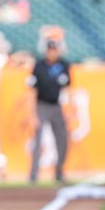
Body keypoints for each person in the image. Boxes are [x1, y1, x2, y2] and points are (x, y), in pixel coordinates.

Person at [27, 40, 71, 183]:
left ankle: (59, 172)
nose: (52, 52)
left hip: (57, 106)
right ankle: (33, 175)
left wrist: (68, 109)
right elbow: (32, 91)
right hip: (41, 105)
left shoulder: (63, 65)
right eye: (50, 50)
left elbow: (67, 89)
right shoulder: (39, 66)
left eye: (54, 50)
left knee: (62, 139)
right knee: (38, 140)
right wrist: (33, 114)